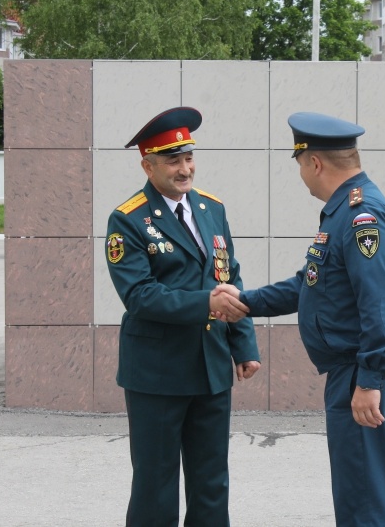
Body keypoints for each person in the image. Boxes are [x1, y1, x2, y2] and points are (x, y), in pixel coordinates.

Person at [214, 111, 385, 526]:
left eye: (300, 165)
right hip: (363, 369)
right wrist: (246, 301)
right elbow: (310, 284)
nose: (302, 175)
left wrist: (369, 381)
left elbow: (383, 305)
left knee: (364, 499)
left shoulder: (363, 216)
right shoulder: (343, 210)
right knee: (381, 490)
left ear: (315, 162)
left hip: (363, 371)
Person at [105, 106, 260, 527]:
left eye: (188, 156)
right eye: (173, 159)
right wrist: (207, 303)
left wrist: (243, 345)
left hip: (210, 369)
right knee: (156, 485)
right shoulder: (128, 219)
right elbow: (139, 296)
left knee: (212, 482)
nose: (185, 168)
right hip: (157, 374)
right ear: (147, 164)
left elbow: (230, 277)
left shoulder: (212, 209)